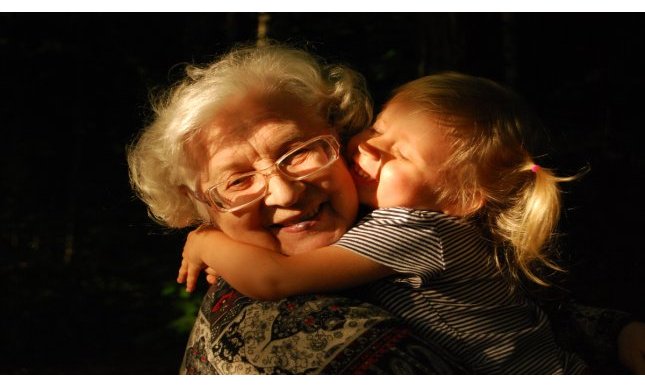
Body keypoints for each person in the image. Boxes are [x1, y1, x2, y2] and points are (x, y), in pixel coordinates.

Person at [128, 42, 645, 374]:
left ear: (337, 139)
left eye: (299, 152)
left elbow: (532, 316)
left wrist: (619, 332)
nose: (285, 194)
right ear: (198, 206)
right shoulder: (275, 338)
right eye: (238, 180)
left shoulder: (402, 229)